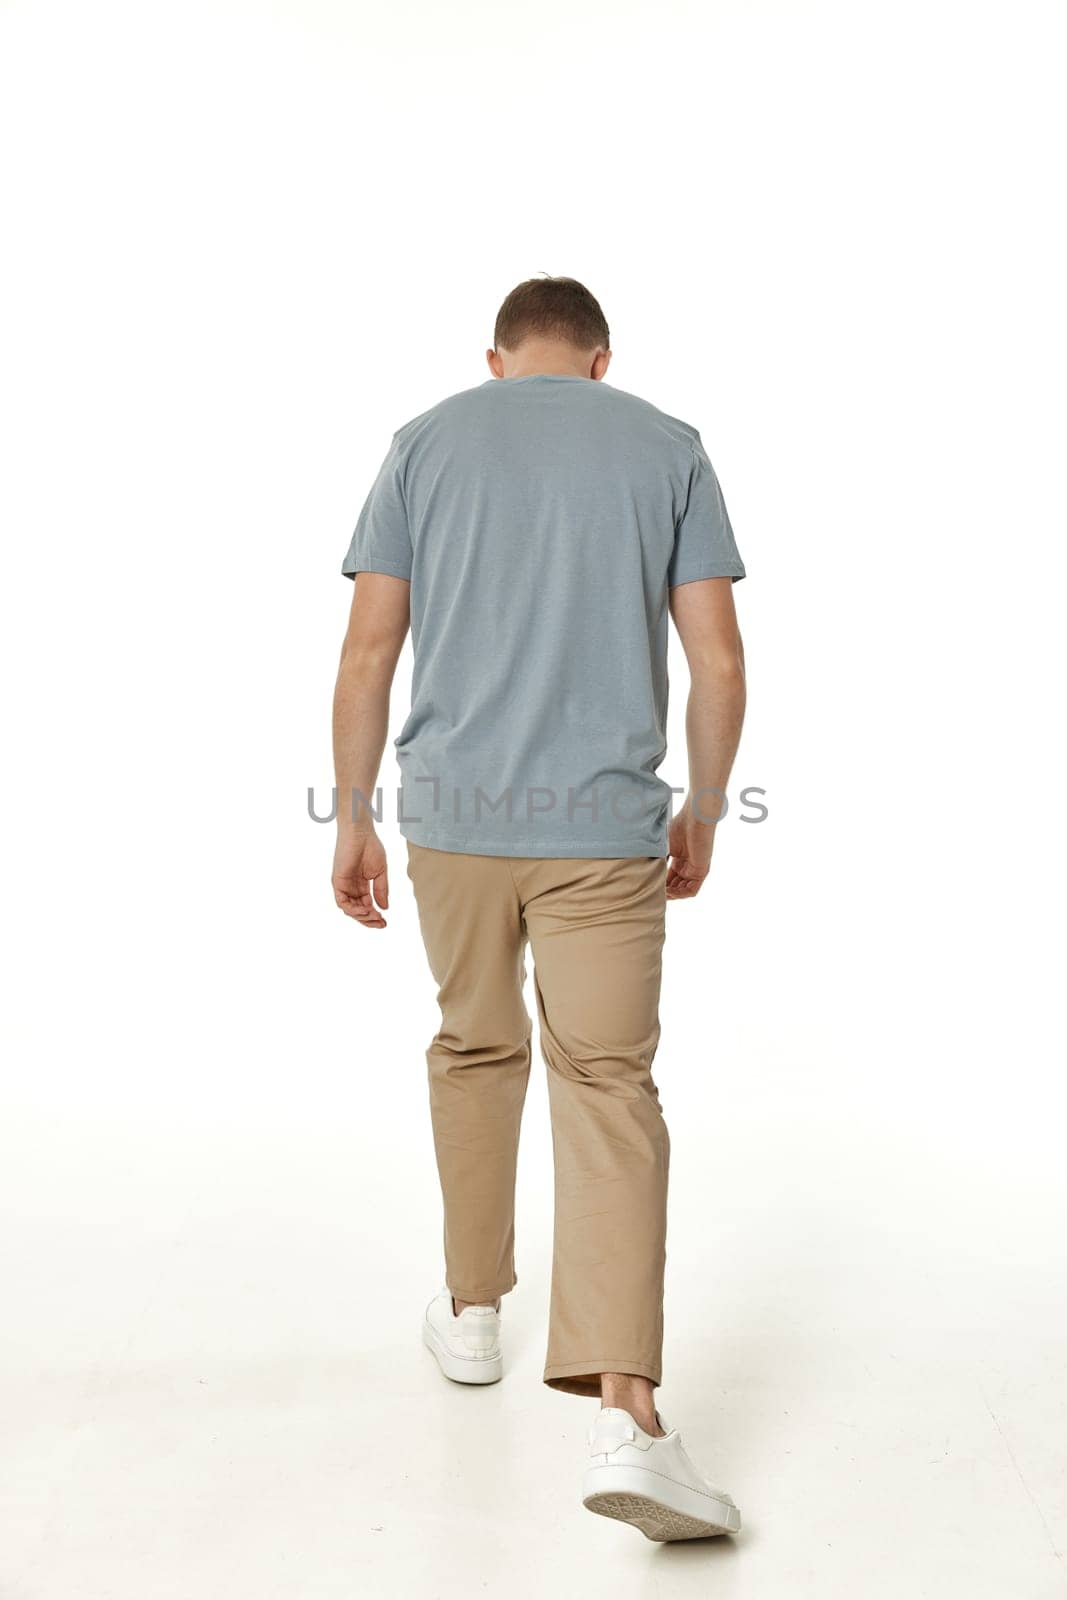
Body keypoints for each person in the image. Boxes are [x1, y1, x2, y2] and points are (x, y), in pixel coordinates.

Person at [331, 277, 747, 1541]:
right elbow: (718, 660)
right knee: (608, 1085)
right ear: (601, 360)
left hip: (452, 823)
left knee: (474, 1045)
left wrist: (350, 813)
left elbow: (365, 651)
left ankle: (469, 1314)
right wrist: (706, 808)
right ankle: (630, 1418)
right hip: (603, 829)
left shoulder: (427, 440)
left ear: (499, 358)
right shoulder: (666, 447)